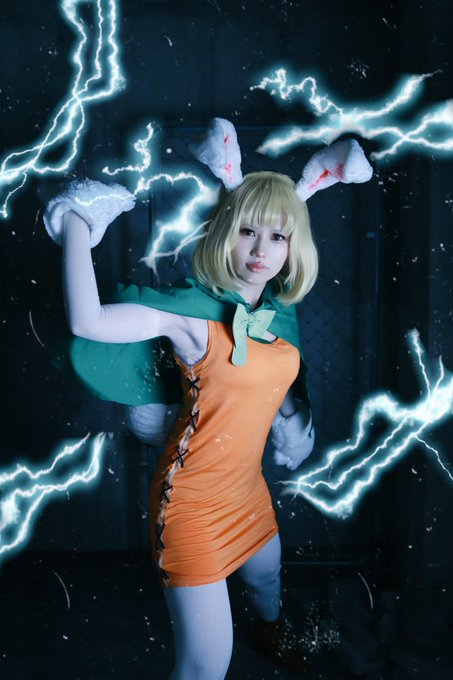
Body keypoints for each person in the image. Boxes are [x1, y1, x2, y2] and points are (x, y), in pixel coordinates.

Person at [45, 125, 371, 679]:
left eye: (278, 236)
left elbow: (278, 384)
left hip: (247, 490)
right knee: (206, 665)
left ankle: (270, 634)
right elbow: (88, 321)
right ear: (225, 232)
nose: (261, 251)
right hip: (190, 505)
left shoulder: (278, 315)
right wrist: (76, 221)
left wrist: (292, 419)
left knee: (267, 579)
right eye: (248, 231)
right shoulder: (191, 318)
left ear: (294, 245)